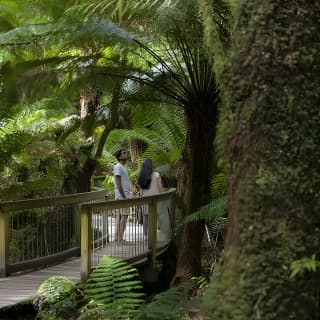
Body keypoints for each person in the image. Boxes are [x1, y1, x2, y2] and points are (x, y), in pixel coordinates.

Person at [137, 158, 163, 238]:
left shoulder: (141, 176)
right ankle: (153, 235)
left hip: (145, 200)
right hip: (155, 200)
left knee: (145, 217)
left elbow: (140, 191)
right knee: (154, 217)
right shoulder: (156, 175)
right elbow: (160, 188)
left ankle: (145, 235)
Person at [113, 149, 131, 243]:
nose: (126, 154)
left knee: (121, 216)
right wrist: (123, 195)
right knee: (124, 216)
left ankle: (117, 238)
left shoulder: (122, 167)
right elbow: (117, 180)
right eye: (124, 153)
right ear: (119, 157)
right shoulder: (118, 166)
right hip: (122, 195)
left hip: (123, 195)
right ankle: (120, 238)